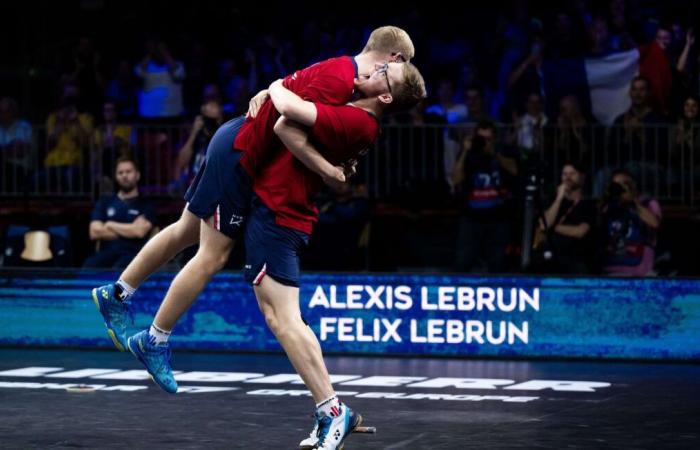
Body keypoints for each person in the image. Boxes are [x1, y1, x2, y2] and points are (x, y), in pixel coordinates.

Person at [90, 26, 416, 448]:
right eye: (397, 67)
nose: (393, 73)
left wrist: (276, 90)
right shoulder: (342, 82)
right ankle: (153, 337)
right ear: (391, 58)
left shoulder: (345, 82)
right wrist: (326, 165)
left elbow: (293, 102)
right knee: (212, 253)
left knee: (187, 231)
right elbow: (285, 122)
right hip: (244, 154)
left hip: (245, 154)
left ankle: (119, 294)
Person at [84, 157, 155, 269]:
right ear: (116, 177)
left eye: (128, 172)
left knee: (120, 269)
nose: (124, 175)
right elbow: (94, 232)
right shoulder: (105, 202)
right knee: (88, 267)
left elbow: (139, 232)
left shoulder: (146, 205)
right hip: (106, 253)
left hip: (134, 257)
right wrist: (130, 230)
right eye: (120, 172)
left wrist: (110, 225)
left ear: (137, 175)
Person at [537, 163, 596, 273]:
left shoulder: (589, 204)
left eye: (572, 173)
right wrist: (559, 199)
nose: (568, 177)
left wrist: (552, 227)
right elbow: (543, 224)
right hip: (550, 259)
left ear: (582, 177)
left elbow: (580, 231)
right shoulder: (553, 201)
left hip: (576, 260)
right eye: (565, 174)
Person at [600, 169, 661, 276]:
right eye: (616, 185)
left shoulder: (648, 203)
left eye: (624, 184)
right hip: (612, 268)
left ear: (633, 185)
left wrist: (633, 201)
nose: (620, 188)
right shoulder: (610, 206)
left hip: (639, 269)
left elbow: (655, 223)